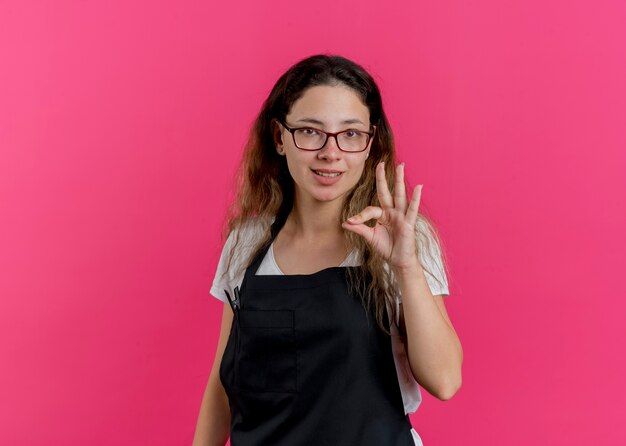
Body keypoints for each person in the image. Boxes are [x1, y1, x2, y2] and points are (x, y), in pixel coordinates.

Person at [193, 54, 463, 446]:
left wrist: (406, 265)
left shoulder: (402, 237)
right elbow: (223, 386)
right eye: (310, 131)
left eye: (350, 134)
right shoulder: (247, 241)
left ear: (370, 144)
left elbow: (445, 380)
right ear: (279, 137)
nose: (330, 153)